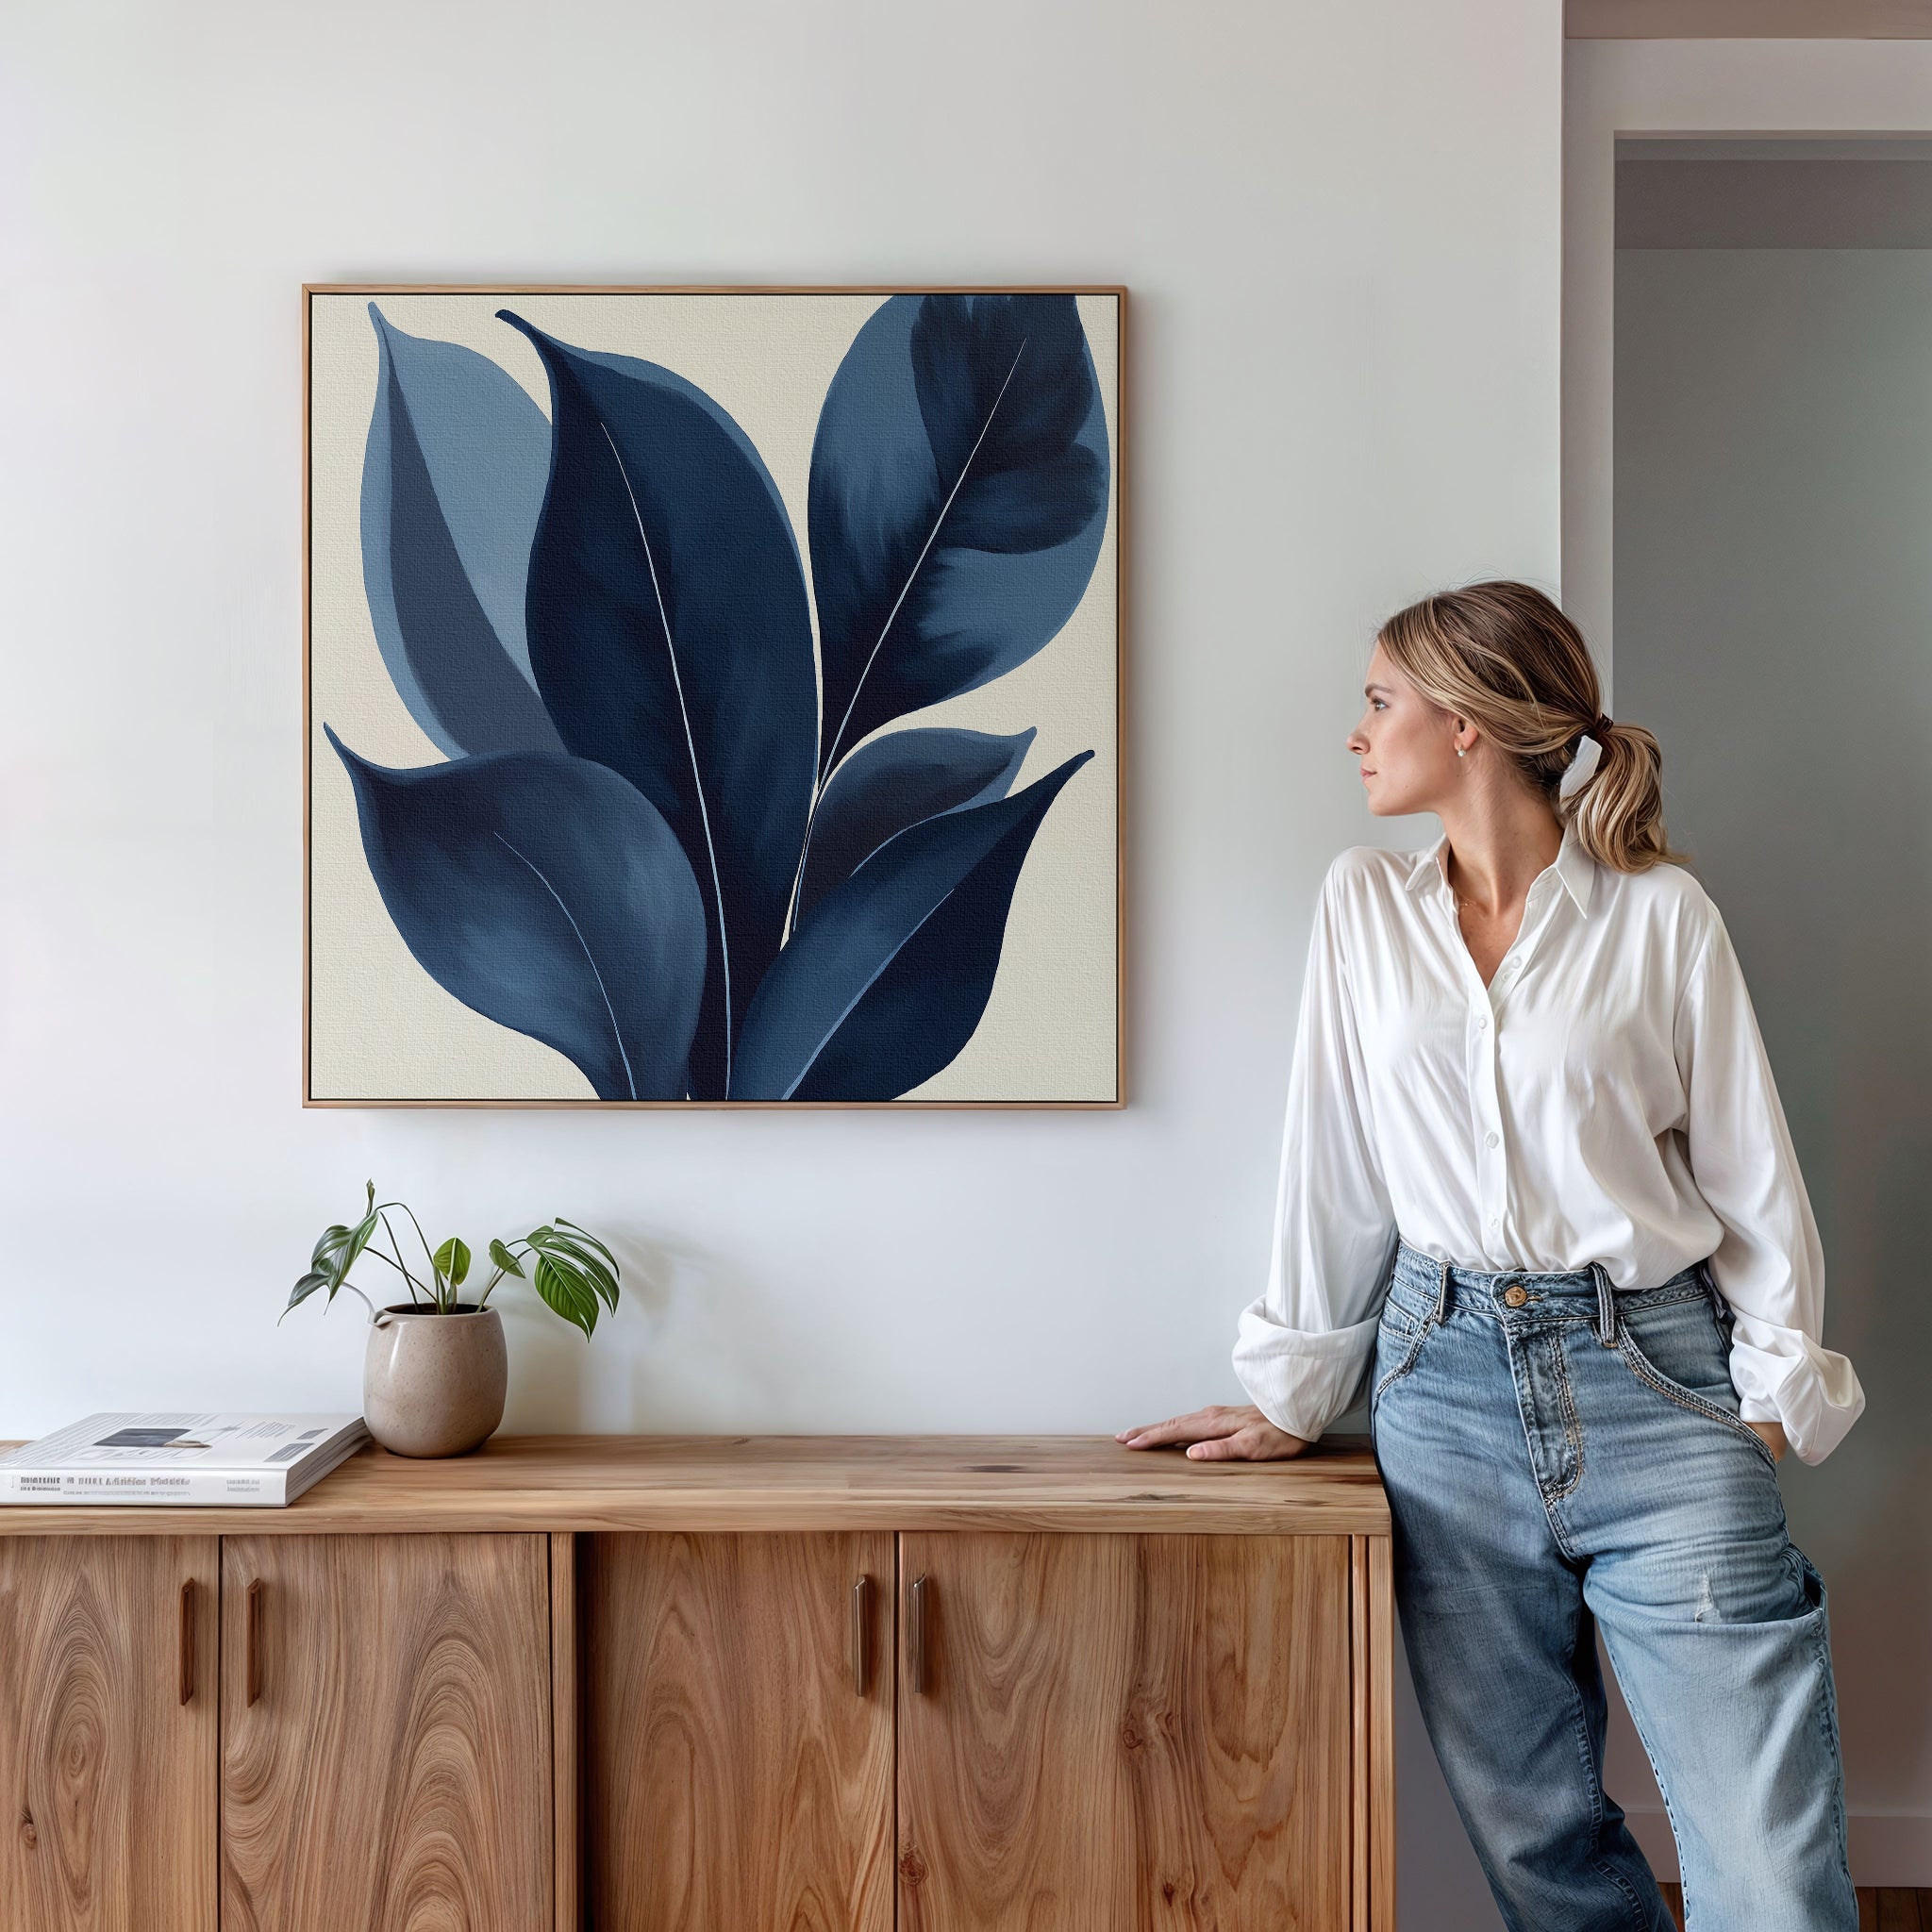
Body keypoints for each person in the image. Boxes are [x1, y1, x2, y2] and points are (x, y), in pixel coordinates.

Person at [1117, 581, 1865, 1930]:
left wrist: (1767, 1395)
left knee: (1767, 1861)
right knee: (1539, 1848)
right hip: (1441, 1389)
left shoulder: (1660, 917)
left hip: (1659, 1377)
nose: (1356, 733)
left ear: (1466, 725)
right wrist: (1298, 1389)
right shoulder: (1362, 909)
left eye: (1378, 700)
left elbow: (1753, 1172)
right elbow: (1331, 1161)